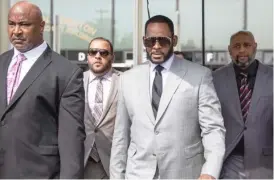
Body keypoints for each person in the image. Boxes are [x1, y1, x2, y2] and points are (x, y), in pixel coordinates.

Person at [110, 15, 226, 179]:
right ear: (144, 41)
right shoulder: (127, 79)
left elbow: (213, 129)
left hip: (184, 173)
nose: (156, 46)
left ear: (174, 40)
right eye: (151, 41)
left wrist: (210, 171)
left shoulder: (199, 76)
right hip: (137, 174)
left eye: (163, 41)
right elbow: (120, 136)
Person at [0, 1, 85, 178]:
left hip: (39, 174)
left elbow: (71, 140)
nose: (16, 31)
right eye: (11, 24)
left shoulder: (66, 72)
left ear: (41, 27)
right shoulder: (1, 63)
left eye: (24, 24)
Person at [213, 30, 273, 179]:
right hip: (229, 159)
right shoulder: (215, 79)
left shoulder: (272, 78)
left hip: (264, 162)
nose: (241, 50)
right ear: (229, 50)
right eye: (236, 46)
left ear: (255, 47)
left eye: (246, 45)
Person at [83, 37, 121, 179]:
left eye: (103, 53)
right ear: (88, 56)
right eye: (93, 52)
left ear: (112, 57)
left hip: (113, 163)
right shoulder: (75, 81)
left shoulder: (125, 81)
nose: (97, 56)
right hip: (82, 161)